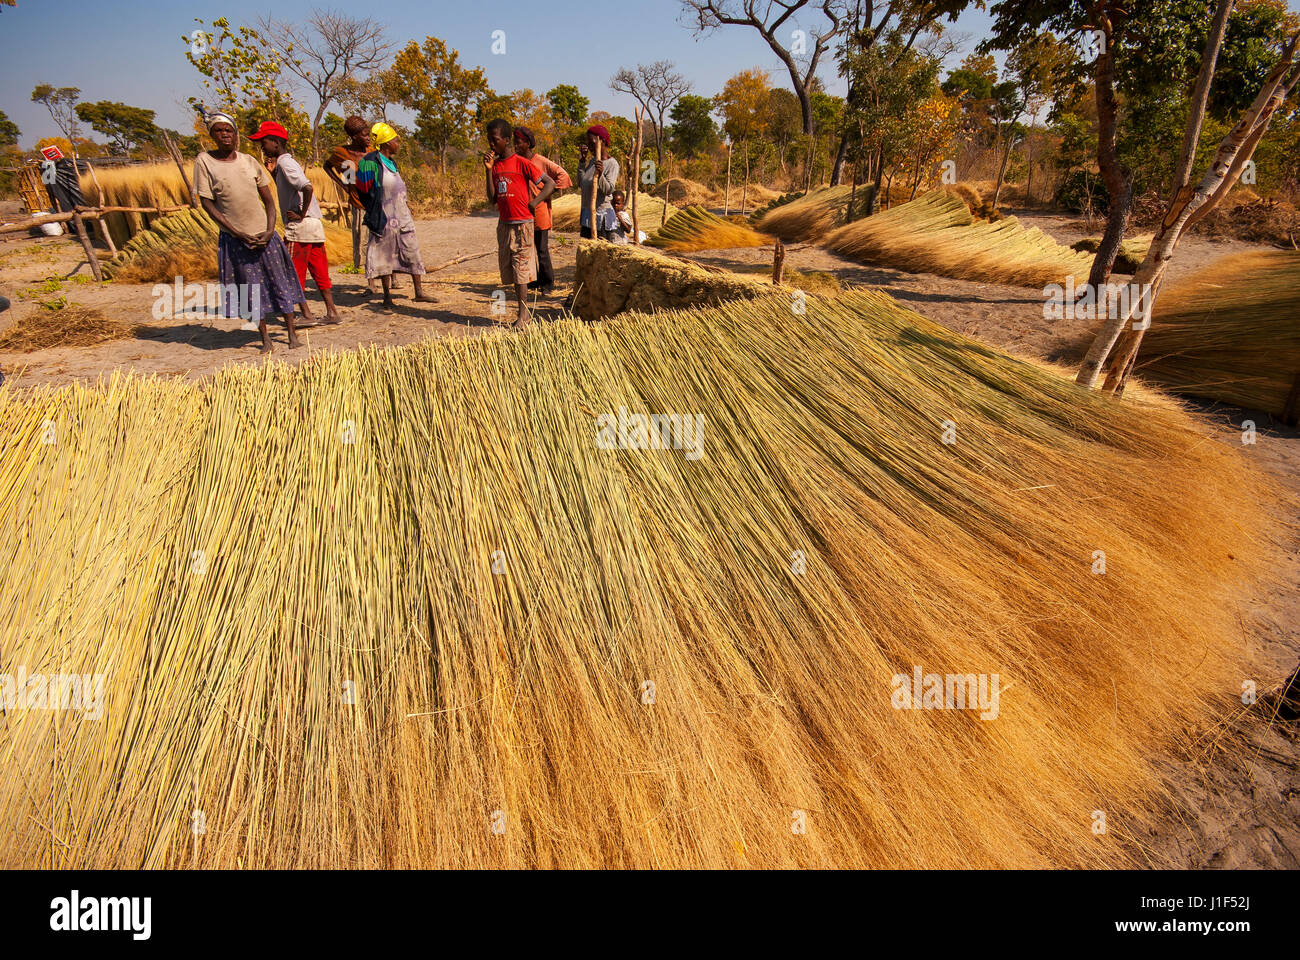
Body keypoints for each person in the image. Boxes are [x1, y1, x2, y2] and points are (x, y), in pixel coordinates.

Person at [193, 113, 304, 354]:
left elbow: (269, 201)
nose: (225, 134)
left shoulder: (249, 161)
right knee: (251, 289)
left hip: (265, 236)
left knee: (280, 282)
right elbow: (207, 203)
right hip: (236, 239)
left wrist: (270, 229)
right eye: (219, 130)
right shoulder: (205, 162)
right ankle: (265, 338)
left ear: (235, 134)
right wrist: (236, 232)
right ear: (212, 135)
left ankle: (292, 333)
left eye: (229, 130)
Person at [251, 120, 341, 326]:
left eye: (264, 142)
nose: (262, 147)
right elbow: (291, 188)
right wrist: (274, 174)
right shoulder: (284, 164)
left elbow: (306, 187)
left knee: (292, 271)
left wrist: (300, 213)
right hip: (314, 226)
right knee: (319, 270)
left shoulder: (285, 163)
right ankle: (332, 312)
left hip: (300, 228)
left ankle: (307, 314)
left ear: (275, 142)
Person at [350, 123, 437, 313]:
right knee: (384, 257)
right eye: (396, 140)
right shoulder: (370, 162)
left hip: (402, 215)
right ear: (386, 143)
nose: (398, 143)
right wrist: (371, 206)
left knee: (412, 251)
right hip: (384, 217)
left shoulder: (392, 163)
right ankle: (387, 297)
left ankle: (419, 292)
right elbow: (360, 188)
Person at [484, 118, 555, 329]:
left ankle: (524, 314)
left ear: (506, 140)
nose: (491, 145)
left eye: (495, 140)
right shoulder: (495, 166)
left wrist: (534, 202)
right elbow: (491, 198)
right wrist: (488, 170)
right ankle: (522, 312)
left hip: (523, 223)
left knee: (521, 268)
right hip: (505, 224)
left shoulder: (522, 163)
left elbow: (549, 183)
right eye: (489, 140)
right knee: (512, 270)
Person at [512, 126, 571, 294]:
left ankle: (548, 283)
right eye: (514, 142)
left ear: (528, 143)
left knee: (542, 249)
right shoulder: (517, 161)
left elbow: (563, 176)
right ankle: (534, 280)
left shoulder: (541, 161)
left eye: (519, 142)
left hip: (539, 211)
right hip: (523, 212)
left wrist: (546, 193)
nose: (516, 146)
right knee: (528, 248)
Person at [323, 116, 370, 273]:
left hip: (376, 204)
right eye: (365, 135)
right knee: (363, 244)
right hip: (359, 205)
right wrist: (344, 186)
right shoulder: (343, 154)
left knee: (382, 243)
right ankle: (370, 282)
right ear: (354, 137)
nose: (368, 138)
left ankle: (391, 278)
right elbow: (328, 166)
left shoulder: (373, 153)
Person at [579, 125, 619, 241]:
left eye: (592, 143)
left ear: (603, 141)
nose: (590, 147)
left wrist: (600, 175)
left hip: (602, 218)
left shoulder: (612, 164)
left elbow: (609, 190)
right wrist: (582, 162)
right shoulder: (592, 162)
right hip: (588, 215)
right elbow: (582, 183)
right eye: (588, 144)